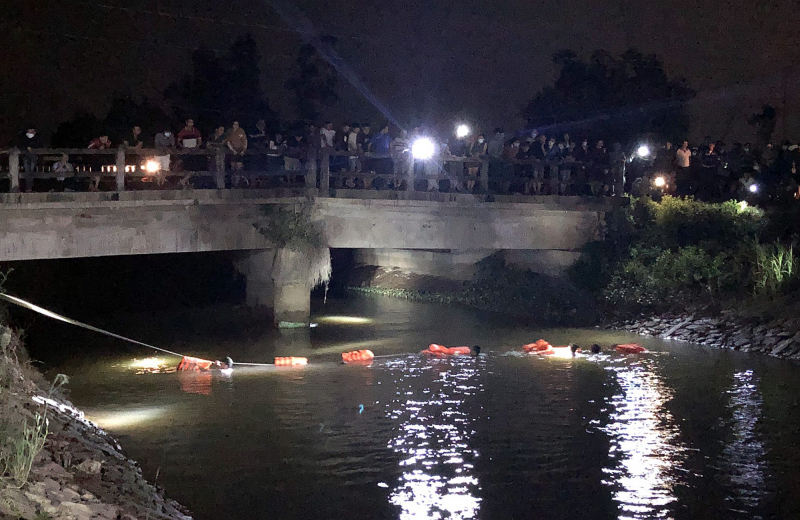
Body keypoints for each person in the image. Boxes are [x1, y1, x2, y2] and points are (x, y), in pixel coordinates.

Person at [177, 119, 203, 188]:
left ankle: (184, 181)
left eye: (192, 122)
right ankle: (186, 183)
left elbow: (200, 141)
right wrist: (183, 147)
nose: (191, 124)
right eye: (189, 122)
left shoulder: (196, 131)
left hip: (194, 152)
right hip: (186, 152)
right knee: (187, 168)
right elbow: (178, 141)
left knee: (194, 169)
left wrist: (196, 147)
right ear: (187, 123)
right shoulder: (183, 131)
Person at [16, 127, 43, 192]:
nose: (31, 131)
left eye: (32, 130)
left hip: (33, 157)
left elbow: (40, 146)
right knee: (27, 171)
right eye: (30, 129)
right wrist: (27, 148)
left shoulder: (37, 138)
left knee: (31, 171)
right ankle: (27, 187)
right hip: (25, 157)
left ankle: (30, 187)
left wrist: (32, 148)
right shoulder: (23, 138)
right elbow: (21, 146)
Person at [226, 121, 248, 186]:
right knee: (233, 167)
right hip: (232, 151)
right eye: (234, 124)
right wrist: (232, 150)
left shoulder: (241, 131)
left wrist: (243, 150)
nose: (236, 125)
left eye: (237, 124)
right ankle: (232, 183)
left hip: (240, 150)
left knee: (239, 167)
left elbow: (245, 141)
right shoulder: (230, 132)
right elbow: (228, 142)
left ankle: (237, 184)